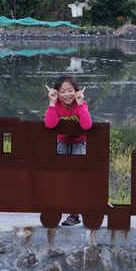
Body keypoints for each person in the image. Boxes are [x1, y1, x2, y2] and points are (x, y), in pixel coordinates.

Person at [44, 75, 92, 226]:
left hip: (79, 144)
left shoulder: (80, 104)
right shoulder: (56, 105)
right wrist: (52, 102)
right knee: (60, 177)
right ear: (56, 92)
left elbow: (86, 125)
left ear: (76, 91)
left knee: (76, 178)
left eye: (70, 90)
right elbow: (50, 125)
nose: (66, 94)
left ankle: (74, 213)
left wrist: (80, 103)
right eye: (62, 91)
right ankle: (58, 208)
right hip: (62, 144)